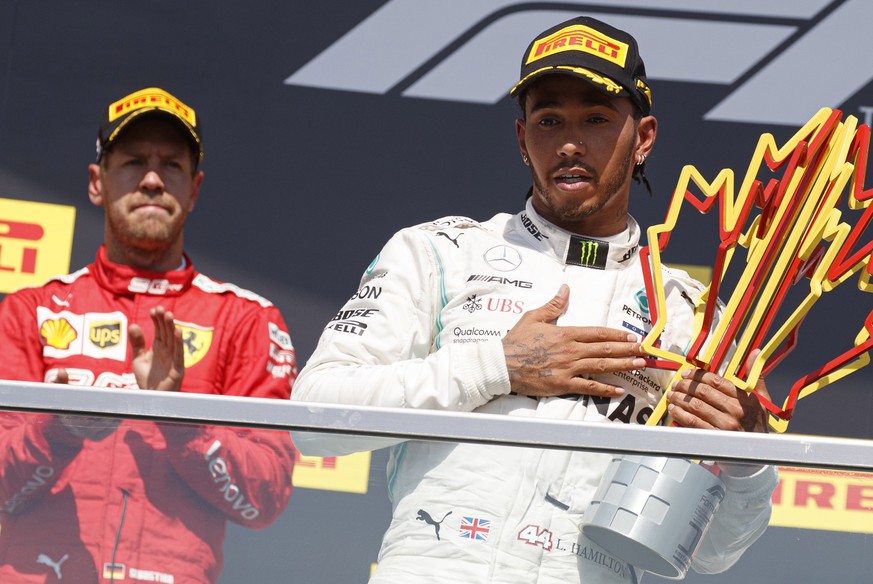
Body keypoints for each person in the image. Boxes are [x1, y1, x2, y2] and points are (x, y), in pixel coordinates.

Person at [291, 15, 778, 584]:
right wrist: (497, 366)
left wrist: (749, 463)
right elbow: (311, 419)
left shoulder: (695, 315)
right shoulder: (440, 250)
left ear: (643, 137)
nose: (570, 143)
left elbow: (710, 554)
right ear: (523, 139)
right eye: (549, 120)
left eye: (596, 119)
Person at [0, 87, 298, 583]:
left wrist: (182, 422)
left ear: (195, 189)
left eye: (172, 166)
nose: (154, 180)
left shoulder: (246, 320)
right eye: (134, 162)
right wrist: (58, 430)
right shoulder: (29, 310)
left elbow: (264, 500)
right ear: (97, 183)